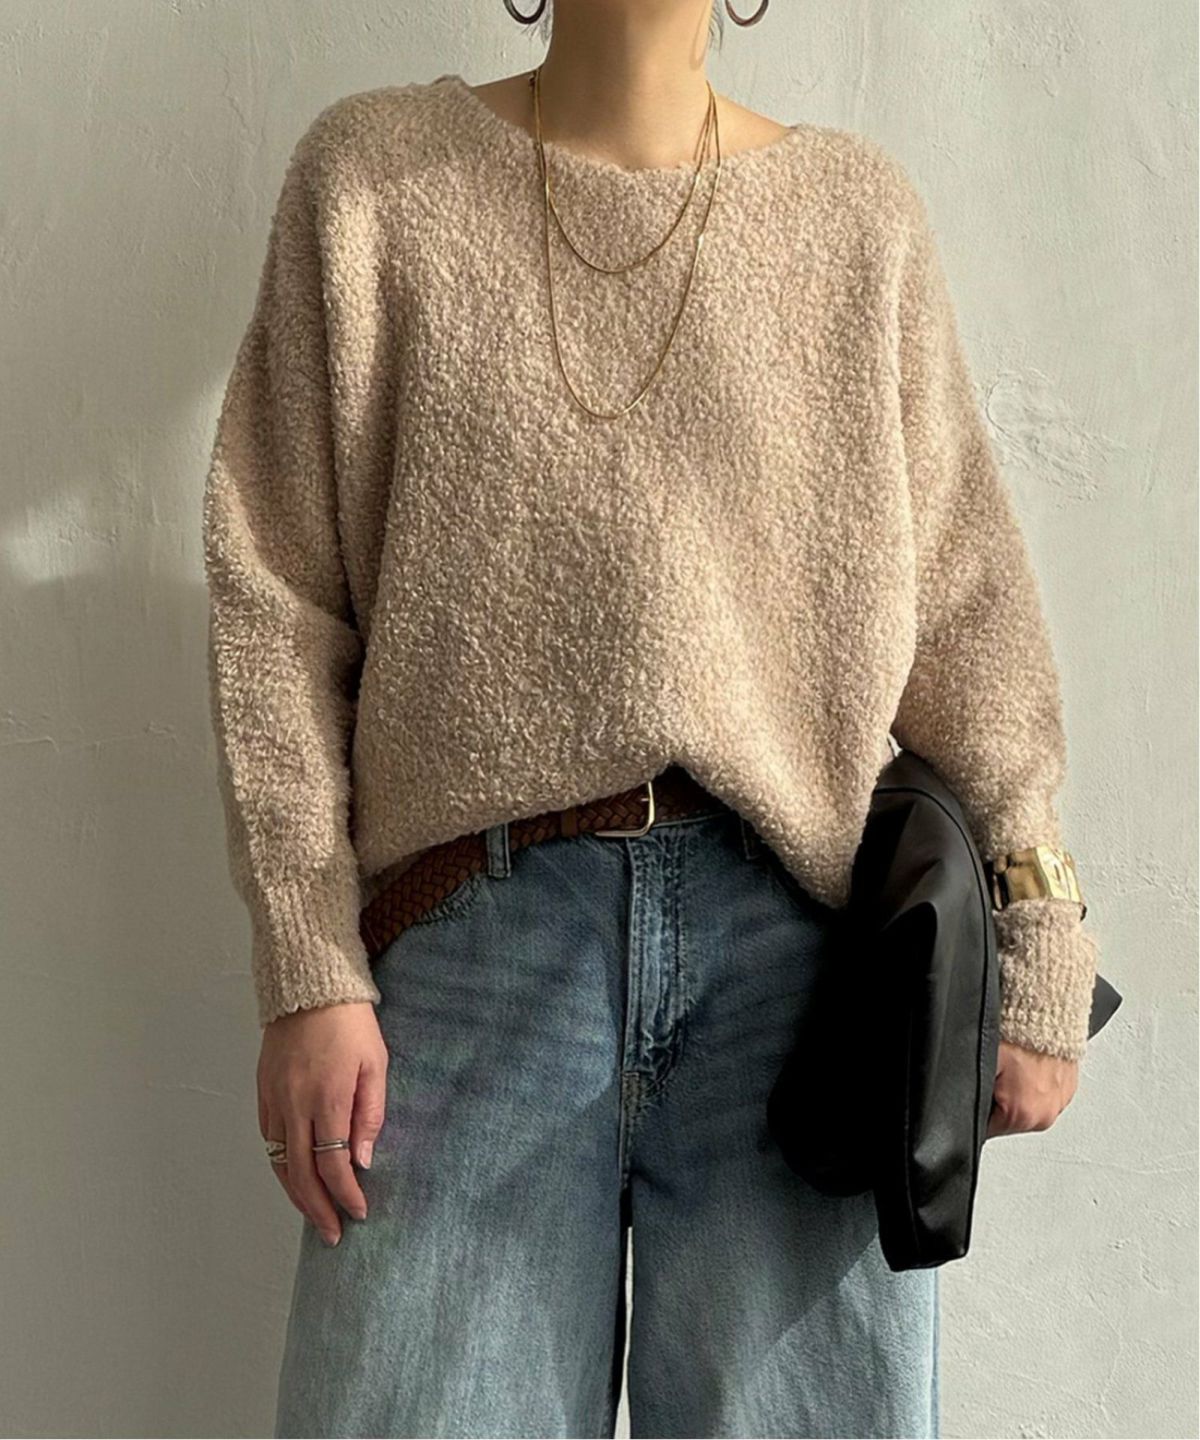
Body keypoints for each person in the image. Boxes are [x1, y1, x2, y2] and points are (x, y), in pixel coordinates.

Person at [201, 2, 1099, 1435]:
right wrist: (306, 962)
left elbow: (967, 616)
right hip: (468, 951)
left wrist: (1041, 930)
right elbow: (279, 598)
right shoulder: (371, 183)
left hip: (797, 981)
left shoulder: (853, 219)